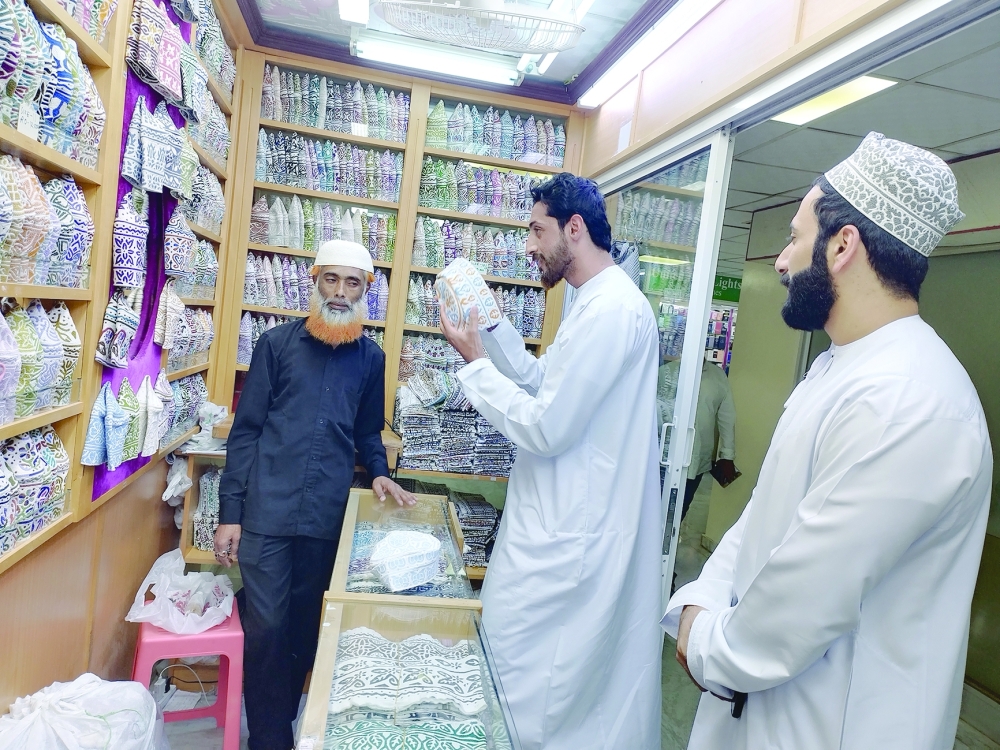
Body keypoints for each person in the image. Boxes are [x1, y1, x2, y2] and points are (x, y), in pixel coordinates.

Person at [662, 132, 993, 749]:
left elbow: (803, 601)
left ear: (843, 245)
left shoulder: (910, 399)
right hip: (763, 705)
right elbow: (762, 519)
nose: (782, 262)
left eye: (794, 238)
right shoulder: (839, 367)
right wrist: (701, 601)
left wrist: (708, 642)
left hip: (838, 725)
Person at [439, 173, 662, 750]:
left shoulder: (613, 310)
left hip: (571, 539)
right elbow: (548, 388)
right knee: (525, 679)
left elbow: (546, 425)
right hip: (558, 523)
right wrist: (494, 332)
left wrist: (474, 364)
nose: (531, 246)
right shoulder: (592, 303)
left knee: (533, 684)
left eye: (537, 231)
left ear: (575, 227)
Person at [213, 240, 415, 750]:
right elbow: (246, 432)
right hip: (266, 514)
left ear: (366, 291)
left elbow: (369, 432)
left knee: (306, 631)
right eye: (332, 280)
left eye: (353, 283)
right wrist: (230, 513)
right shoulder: (275, 346)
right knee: (267, 630)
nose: (341, 293)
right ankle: (269, 738)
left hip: (326, 518)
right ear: (314, 279)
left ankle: (290, 724)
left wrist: (379, 473)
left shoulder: (371, 359)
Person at [658, 352, 737, 520]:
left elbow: (727, 418)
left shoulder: (718, 377)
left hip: (697, 459)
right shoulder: (666, 373)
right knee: (654, 508)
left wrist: (727, 455)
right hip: (664, 457)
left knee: (679, 511)